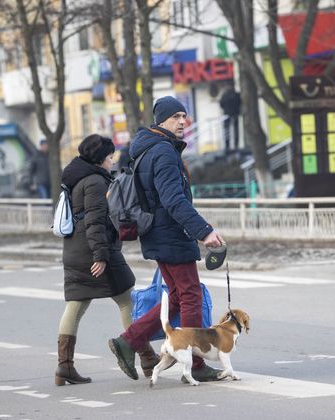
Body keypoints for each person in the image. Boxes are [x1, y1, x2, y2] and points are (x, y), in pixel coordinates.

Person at [108, 96, 226, 383]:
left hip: (158, 233)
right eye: (175, 117)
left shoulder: (148, 149)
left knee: (176, 297)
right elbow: (173, 200)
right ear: (161, 120)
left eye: (184, 116)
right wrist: (204, 231)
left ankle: (129, 340)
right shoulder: (162, 152)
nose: (182, 122)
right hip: (171, 233)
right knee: (190, 296)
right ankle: (195, 364)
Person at [56, 134, 157, 385]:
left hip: (75, 250)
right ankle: (145, 355)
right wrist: (100, 256)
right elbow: (94, 221)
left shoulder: (76, 176)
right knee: (126, 298)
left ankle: (64, 366)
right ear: (100, 159)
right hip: (97, 251)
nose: (112, 161)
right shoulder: (94, 182)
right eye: (110, 157)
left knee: (76, 305)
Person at [219, 85, 241, 151]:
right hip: (235, 114)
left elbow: (221, 104)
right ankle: (236, 144)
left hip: (227, 114)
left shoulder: (224, 96)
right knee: (235, 130)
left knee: (227, 130)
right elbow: (240, 103)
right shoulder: (237, 95)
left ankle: (227, 145)